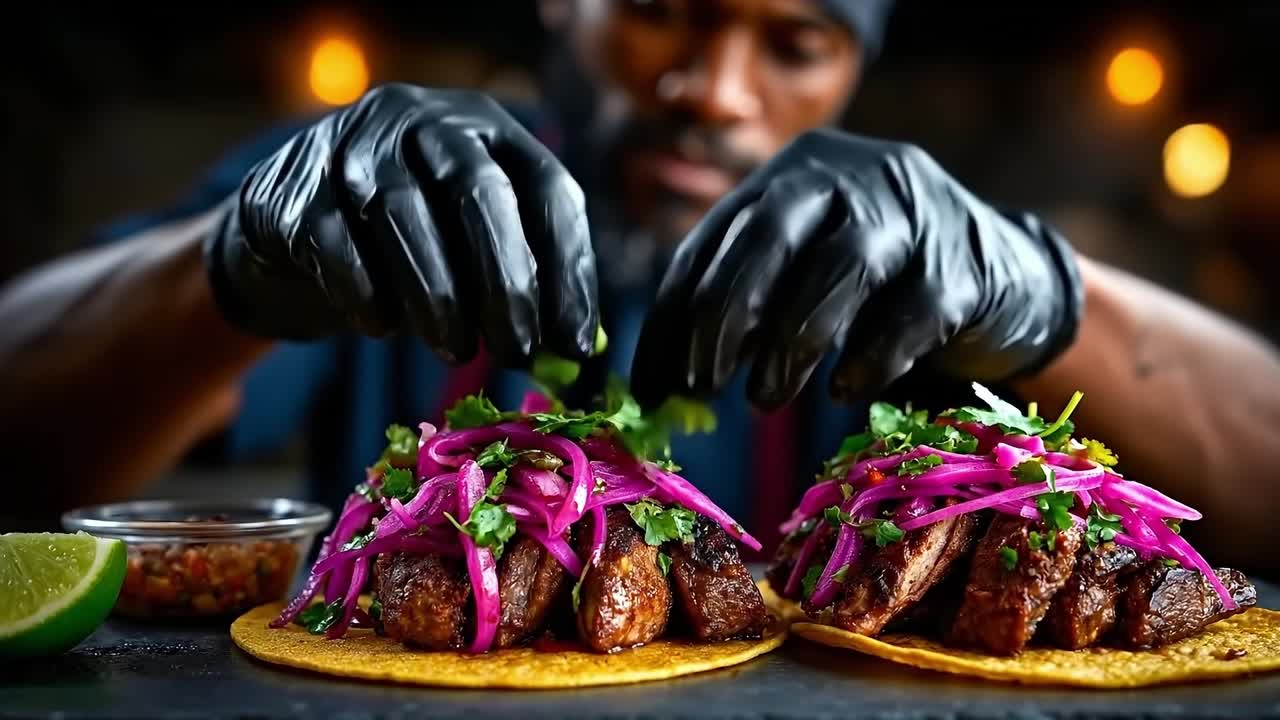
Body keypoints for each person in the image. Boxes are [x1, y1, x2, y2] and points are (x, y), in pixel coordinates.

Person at [2, 0, 1278, 573]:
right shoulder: (391, 195)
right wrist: (223, 263)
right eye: (663, 10)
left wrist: (1041, 294)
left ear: (848, 71)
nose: (716, 91)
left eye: (793, 43)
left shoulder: (911, 261)